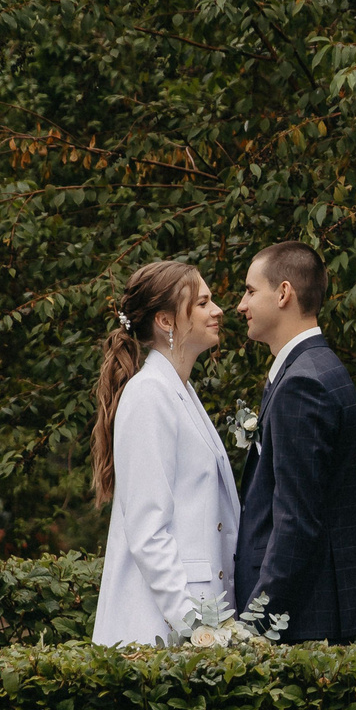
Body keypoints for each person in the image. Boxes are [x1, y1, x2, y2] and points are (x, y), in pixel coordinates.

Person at [90, 260, 241, 646]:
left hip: (201, 616)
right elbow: (148, 532)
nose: (218, 310)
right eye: (203, 303)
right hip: (160, 628)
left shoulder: (180, 391)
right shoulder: (149, 395)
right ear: (167, 321)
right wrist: (196, 628)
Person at [233, 241, 356, 643]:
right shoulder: (317, 368)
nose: (241, 305)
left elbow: (296, 521)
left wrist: (255, 626)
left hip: (302, 621)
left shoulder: (303, 383)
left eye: (250, 291)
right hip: (315, 612)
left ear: (283, 293)